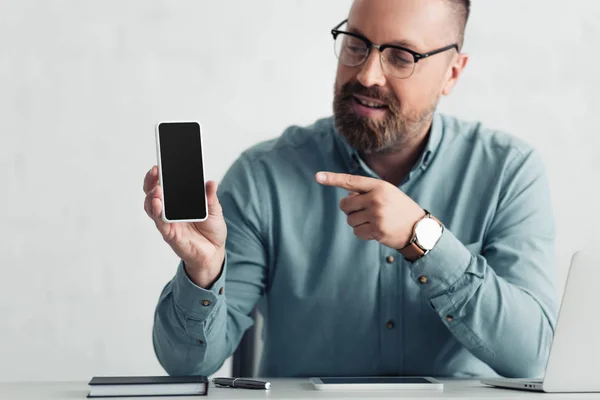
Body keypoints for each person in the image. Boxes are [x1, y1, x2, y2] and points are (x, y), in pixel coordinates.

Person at [144, 0, 557, 378]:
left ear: (452, 73)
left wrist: (423, 239)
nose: (366, 74)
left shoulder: (507, 172)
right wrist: (203, 273)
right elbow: (186, 365)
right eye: (356, 44)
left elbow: (531, 356)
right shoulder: (263, 176)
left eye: (401, 56)